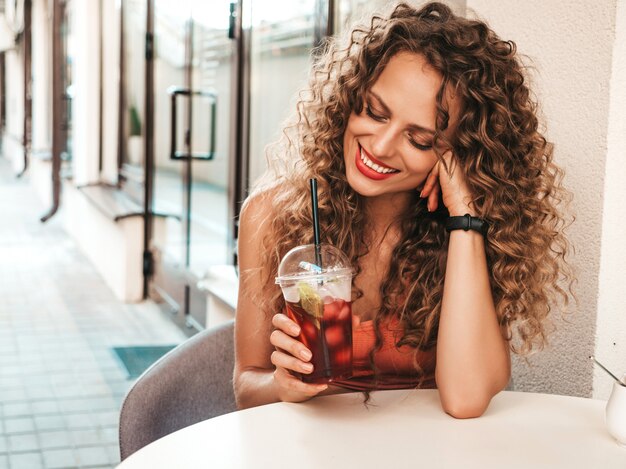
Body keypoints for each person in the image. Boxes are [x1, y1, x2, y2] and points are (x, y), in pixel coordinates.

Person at [233, 1, 573, 418]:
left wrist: (463, 212)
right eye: (374, 112)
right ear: (348, 98)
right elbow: (247, 385)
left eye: (420, 140)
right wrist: (282, 385)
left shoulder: (471, 232)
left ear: (457, 154)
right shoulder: (272, 215)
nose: (379, 146)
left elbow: (465, 400)